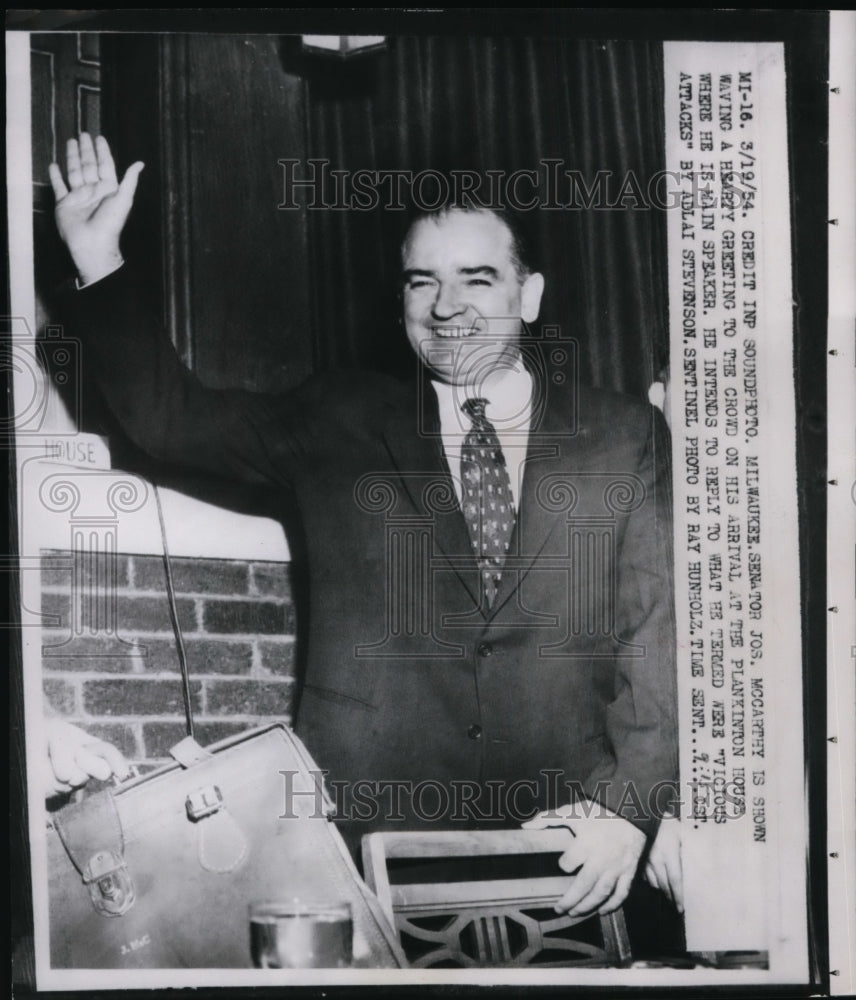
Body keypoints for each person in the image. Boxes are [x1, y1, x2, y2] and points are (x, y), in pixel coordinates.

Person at [46, 133, 683, 921]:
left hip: (568, 847)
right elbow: (171, 421)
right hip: (370, 847)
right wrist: (99, 260)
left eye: (476, 279)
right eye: (423, 284)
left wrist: (627, 811)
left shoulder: (621, 435)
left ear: (531, 294)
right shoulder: (338, 419)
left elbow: (658, 641)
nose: (447, 308)